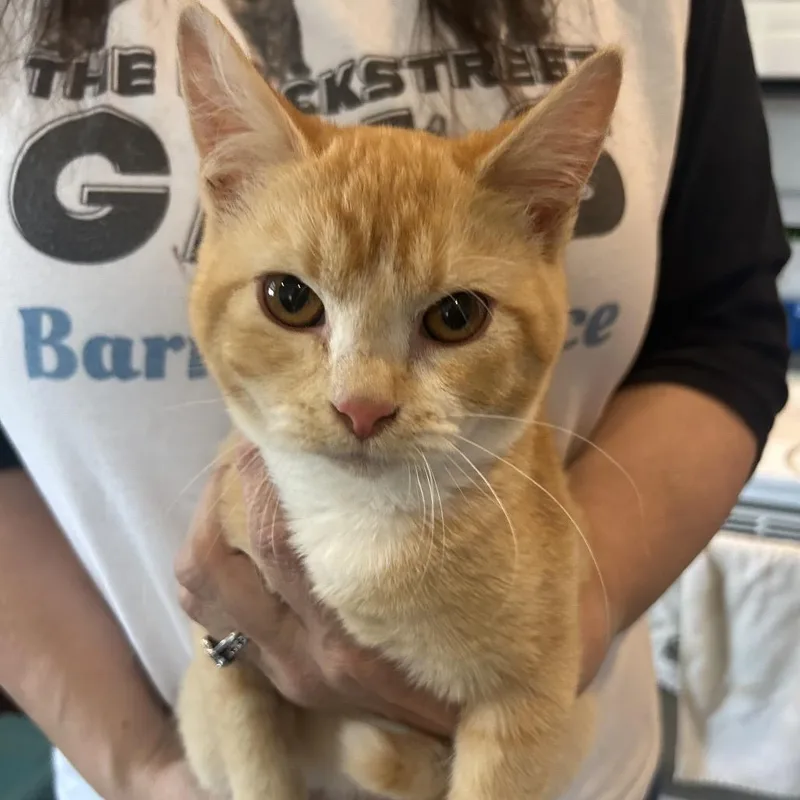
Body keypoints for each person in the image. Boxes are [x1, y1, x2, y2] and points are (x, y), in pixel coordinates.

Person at [0, 0, 790, 798]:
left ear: (549, 221)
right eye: (294, 301)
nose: (362, 400)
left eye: (453, 316)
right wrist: (143, 769)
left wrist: (552, 646)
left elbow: (721, 331)